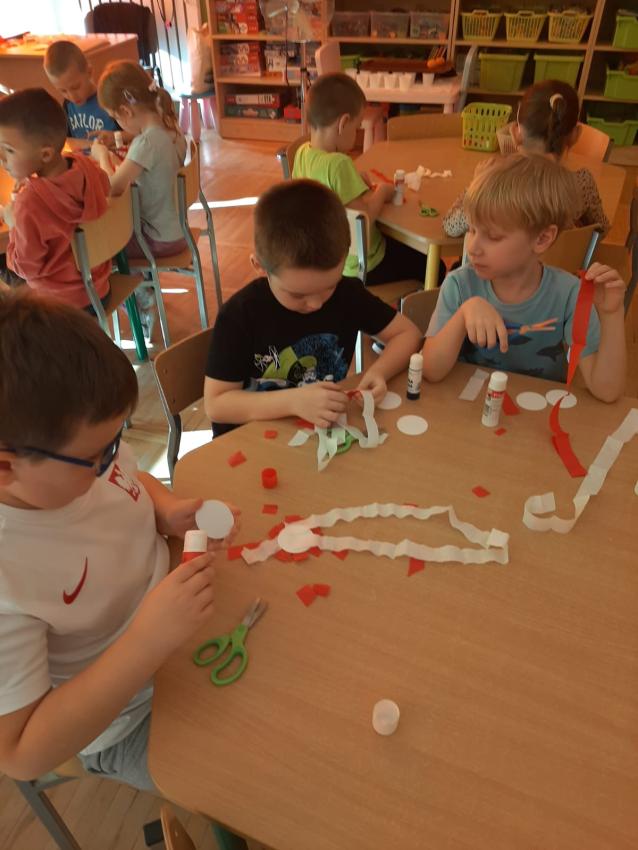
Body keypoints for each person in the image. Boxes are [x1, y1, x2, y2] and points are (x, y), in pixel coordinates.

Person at [0, 290, 235, 793]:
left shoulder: (77, 455)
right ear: (5, 467)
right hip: (129, 716)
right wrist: (148, 639)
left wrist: (164, 508)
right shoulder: (9, 574)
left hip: (179, 625)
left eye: (117, 441)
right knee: (252, 783)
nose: (114, 458)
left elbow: (129, 478)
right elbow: (20, 753)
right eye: (98, 455)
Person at [204, 179, 422, 435]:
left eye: (329, 286)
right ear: (260, 267)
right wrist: (293, 401)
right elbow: (217, 404)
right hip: (250, 443)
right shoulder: (240, 315)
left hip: (313, 438)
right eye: (298, 294)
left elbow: (408, 333)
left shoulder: (347, 295)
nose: (316, 304)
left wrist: (379, 372)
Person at [424, 154, 626, 403]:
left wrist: (612, 314)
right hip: (470, 410)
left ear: (542, 239)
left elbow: (607, 390)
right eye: (472, 230)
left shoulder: (568, 295)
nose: (472, 248)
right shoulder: (460, 285)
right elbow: (430, 370)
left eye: (493, 237)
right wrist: (464, 314)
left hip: (536, 415)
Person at [292, 73, 440, 286]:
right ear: (343, 123)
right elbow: (364, 223)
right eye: (357, 127)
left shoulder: (303, 153)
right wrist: (383, 192)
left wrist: (353, 181)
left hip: (324, 260)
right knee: (433, 266)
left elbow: (327, 194)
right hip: (361, 265)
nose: (356, 134)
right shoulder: (339, 164)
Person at [91, 60, 188, 338]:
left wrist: (102, 157)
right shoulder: (172, 130)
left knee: (99, 250)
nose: (118, 123)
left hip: (155, 240)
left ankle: (141, 297)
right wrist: (117, 149)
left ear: (126, 111)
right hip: (175, 231)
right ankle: (143, 285)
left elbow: (111, 188)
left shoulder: (146, 143)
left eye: (116, 117)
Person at [443, 80, 609, 238]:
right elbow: (600, 231)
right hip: (559, 260)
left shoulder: (495, 181)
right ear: (575, 135)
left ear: (515, 133)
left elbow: (451, 226)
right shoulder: (582, 184)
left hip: (502, 260)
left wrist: (476, 184)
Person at [0, 88, 111, 311]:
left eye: (8, 151)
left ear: (45, 154)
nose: (1, 158)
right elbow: (106, 186)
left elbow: (28, 268)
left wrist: (14, 225)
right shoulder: (86, 167)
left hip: (61, 308)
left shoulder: (28, 204)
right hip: (99, 288)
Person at [44, 40, 123, 150]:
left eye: (76, 87)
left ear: (89, 72)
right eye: (63, 91)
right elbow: (67, 140)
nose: (72, 97)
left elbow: (139, 134)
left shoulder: (109, 98)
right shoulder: (68, 105)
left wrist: (117, 137)